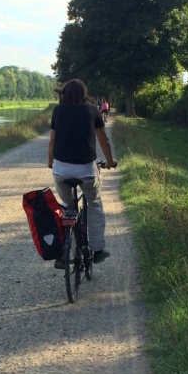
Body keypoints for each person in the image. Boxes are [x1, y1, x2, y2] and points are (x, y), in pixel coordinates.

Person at [48, 79, 117, 264]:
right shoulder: (92, 110)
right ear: (84, 94)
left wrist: (50, 163)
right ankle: (97, 250)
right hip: (86, 170)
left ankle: (62, 252)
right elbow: (104, 141)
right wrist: (110, 161)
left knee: (66, 206)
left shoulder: (58, 111)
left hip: (61, 170)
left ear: (64, 93)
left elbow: (52, 142)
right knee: (94, 205)